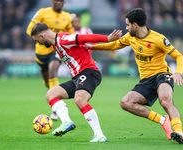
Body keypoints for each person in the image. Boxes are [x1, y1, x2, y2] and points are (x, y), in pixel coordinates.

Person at [85, 8, 183, 144]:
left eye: (127, 25)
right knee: (126, 103)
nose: (126, 27)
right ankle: (163, 120)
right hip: (146, 80)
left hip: (162, 75)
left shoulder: (158, 39)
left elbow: (178, 55)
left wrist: (178, 72)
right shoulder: (130, 37)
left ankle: (179, 131)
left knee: (165, 101)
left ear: (135, 25)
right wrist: (93, 47)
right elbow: (114, 45)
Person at [30, 22, 122, 142]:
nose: (39, 43)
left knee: (79, 100)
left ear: (42, 36)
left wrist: (107, 39)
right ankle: (66, 122)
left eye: (38, 40)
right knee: (51, 94)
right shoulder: (56, 45)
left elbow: (86, 38)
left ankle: (99, 135)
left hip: (89, 72)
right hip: (77, 77)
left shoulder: (64, 39)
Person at [26, 0, 74, 120]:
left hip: (56, 50)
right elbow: (29, 30)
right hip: (41, 52)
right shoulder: (42, 13)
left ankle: (55, 108)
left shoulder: (66, 17)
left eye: (61, 1)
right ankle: (51, 90)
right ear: (53, 1)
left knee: (53, 70)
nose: (59, 3)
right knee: (47, 79)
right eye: (57, 0)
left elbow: (70, 34)